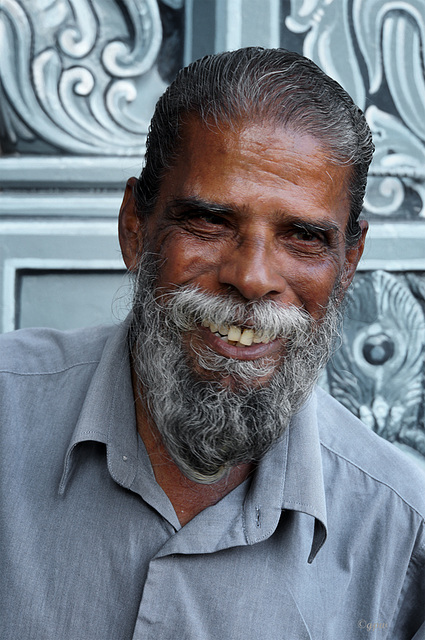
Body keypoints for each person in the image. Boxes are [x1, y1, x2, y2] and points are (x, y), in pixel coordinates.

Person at [0, 48, 424, 640]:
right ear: (134, 229)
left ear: (348, 263)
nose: (252, 278)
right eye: (210, 223)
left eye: (302, 237)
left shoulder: (401, 532)